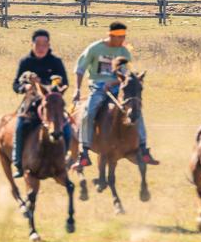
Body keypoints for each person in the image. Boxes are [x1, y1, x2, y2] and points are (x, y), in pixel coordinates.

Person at [74, 22, 158, 168]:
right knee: (88, 112)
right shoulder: (95, 49)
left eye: (123, 37)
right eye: (119, 37)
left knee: (136, 111)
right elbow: (80, 69)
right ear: (110, 35)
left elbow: (125, 73)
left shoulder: (124, 52)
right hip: (98, 88)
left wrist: (116, 83)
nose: (121, 40)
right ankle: (84, 152)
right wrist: (77, 89)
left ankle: (143, 149)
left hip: (118, 89)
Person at [11, 29, 71, 178]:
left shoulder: (56, 62)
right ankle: (18, 163)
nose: (41, 47)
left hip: (52, 106)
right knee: (19, 126)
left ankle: (66, 159)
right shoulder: (26, 62)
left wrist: (55, 86)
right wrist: (24, 87)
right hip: (31, 105)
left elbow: (65, 83)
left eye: (44, 44)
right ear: (32, 44)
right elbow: (15, 84)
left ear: (49, 45)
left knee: (68, 128)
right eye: (38, 43)